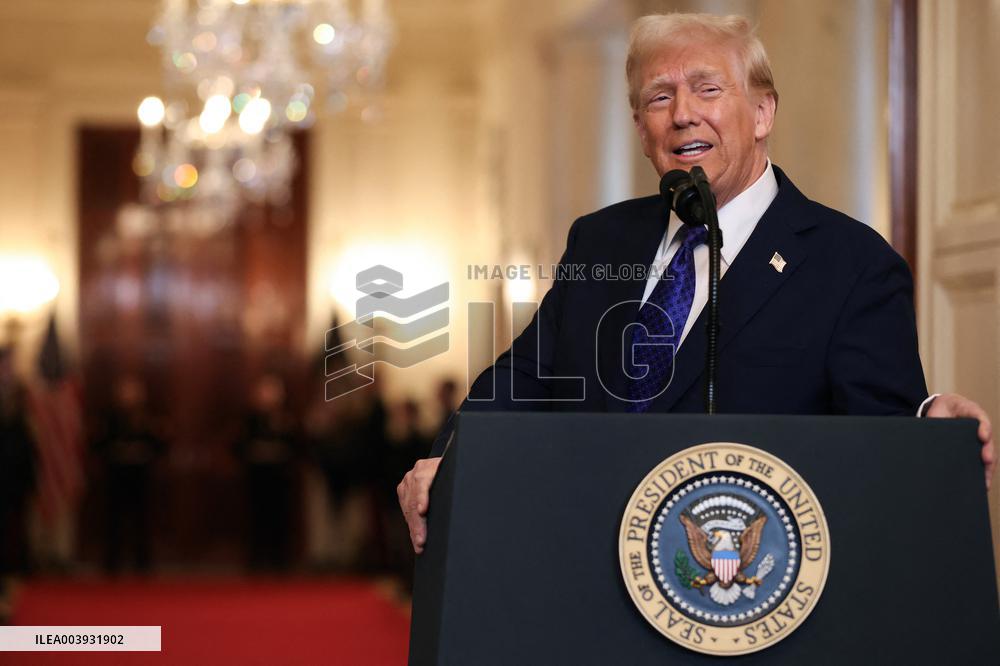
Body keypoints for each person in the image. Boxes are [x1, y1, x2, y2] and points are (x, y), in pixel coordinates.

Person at [398, 13, 996, 554]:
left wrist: (926, 426)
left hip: (742, 585)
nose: (683, 112)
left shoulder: (852, 263)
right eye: (660, 97)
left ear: (763, 113)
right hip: (584, 567)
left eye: (708, 89)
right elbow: (524, 377)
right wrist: (448, 459)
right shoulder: (599, 240)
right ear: (641, 128)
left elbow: (881, 436)